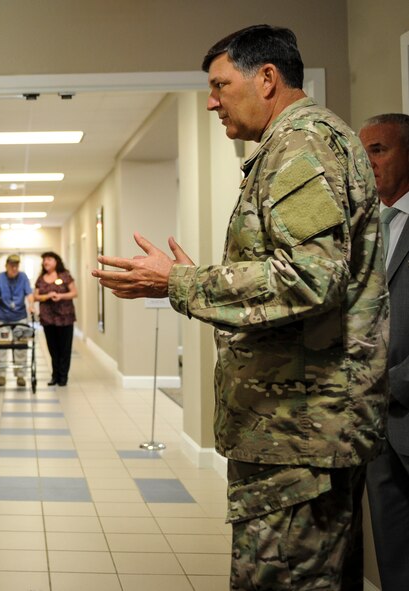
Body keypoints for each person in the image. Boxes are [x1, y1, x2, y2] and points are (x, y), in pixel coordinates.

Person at [92, 25, 388, 590]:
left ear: (268, 78)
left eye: (220, 85)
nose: (211, 101)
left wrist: (183, 281)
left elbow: (307, 279)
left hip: (298, 432)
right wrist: (185, 281)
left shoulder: (300, 146)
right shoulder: (302, 143)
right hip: (302, 427)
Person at [360, 113, 409, 591]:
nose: (368, 162)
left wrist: (390, 382)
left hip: (403, 403)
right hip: (376, 430)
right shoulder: (367, 230)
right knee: (393, 553)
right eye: (364, 152)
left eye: (380, 150)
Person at [0, 254, 34, 387]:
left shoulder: (23, 277)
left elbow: (29, 294)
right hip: (2, 318)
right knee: (1, 346)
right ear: (6, 265)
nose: (14, 268)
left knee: (21, 346)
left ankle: (20, 375)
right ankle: (1, 375)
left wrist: (31, 305)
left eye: (16, 265)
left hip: (20, 317)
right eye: (12, 265)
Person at [34, 251, 78, 386]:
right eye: (44, 260)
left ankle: (63, 376)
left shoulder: (65, 275)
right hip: (48, 318)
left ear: (56, 261)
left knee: (64, 348)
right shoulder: (41, 278)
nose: (45, 262)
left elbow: (74, 293)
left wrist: (61, 296)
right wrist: (47, 296)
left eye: (48, 259)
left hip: (65, 318)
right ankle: (55, 375)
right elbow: (35, 297)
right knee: (53, 348)